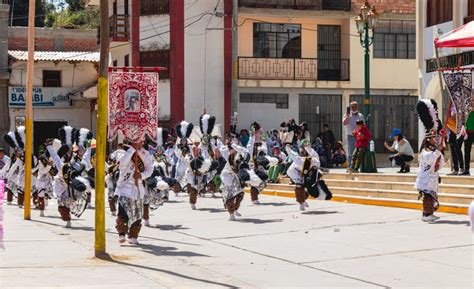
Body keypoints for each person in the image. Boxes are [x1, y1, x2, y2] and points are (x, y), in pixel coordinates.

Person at [114, 141, 154, 244]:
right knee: (123, 212)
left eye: (141, 140)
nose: (140, 142)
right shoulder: (123, 151)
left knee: (137, 214)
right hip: (124, 187)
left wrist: (141, 175)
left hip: (137, 188)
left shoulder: (146, 154)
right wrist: (132, 150)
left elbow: (150, 169)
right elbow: (122, 163)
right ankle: (122, 234)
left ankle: (133, 236)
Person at [416, 132, 445, 222]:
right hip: (425, 178)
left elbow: (438, 162)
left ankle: (429, 214)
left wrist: (438, 151)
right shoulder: (425, 150)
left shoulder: (432, 149)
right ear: (429, 139)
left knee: (430, 197)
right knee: (428, 197)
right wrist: (437, 151)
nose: (435, 139)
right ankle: (426, 215)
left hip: (431, 177)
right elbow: (429, 159)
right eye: (433, 138)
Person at [343, 101, 365, 166]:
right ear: (350, 107)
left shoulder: (360, 115)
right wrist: (348, 116)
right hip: (351, 136)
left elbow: (363, 126)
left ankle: (357, 166)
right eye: (352, 107)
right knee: (351, 152)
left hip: (359, 136)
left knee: (359, 152)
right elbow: (344, 123)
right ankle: (350, 166)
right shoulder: (347, 114)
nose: (354, 108)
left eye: (355, 107)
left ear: (357, 107)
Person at [461, 110, 474, 176]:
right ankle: (466, 170)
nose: (472, 103)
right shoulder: (467, 111)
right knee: (466, 152)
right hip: (468, 133)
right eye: (471, 101)